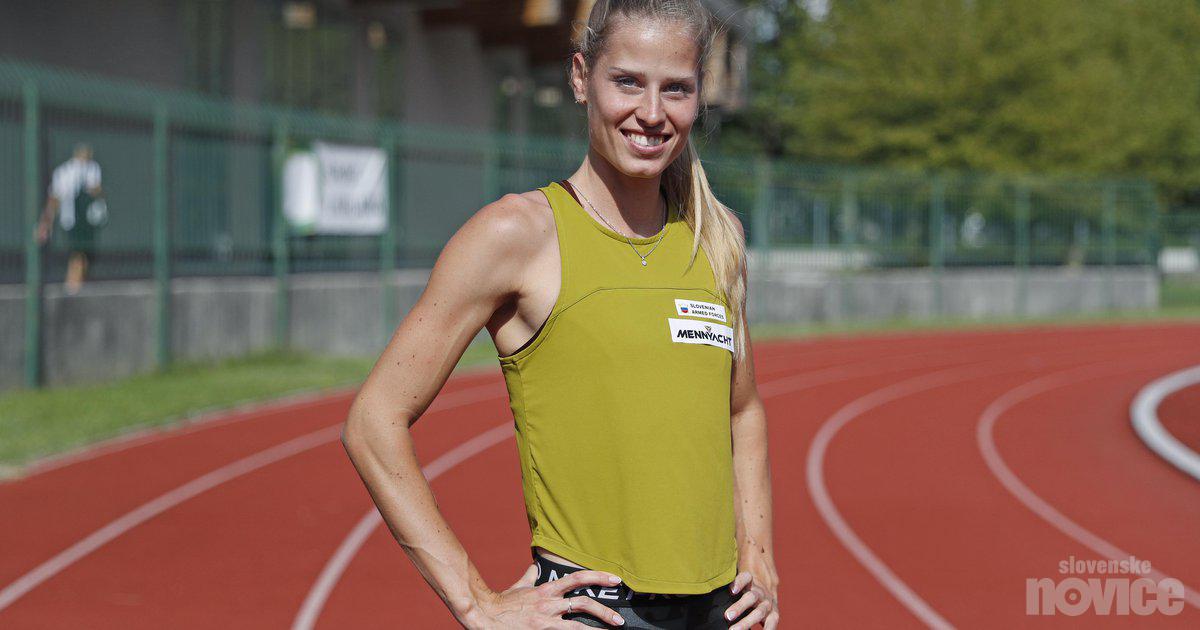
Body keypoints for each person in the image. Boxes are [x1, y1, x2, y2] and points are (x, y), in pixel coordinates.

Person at [340, 1, 779, 628]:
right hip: (593, 614)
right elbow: (373, 421)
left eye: (675, 88)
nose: (651, 113)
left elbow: (744, 409)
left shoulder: (718, 237)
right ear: (581, 78)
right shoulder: (516, 235)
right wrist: (476, 602)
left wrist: (760, 557)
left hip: (720, 613)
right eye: (627, 81)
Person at [36, 143, 105, 295]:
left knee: (85, 257)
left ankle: (76, 288)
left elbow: (97, 192)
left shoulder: (93, 168)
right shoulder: (64, 172)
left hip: (89, 223)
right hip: (72, 222)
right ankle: (72, 289)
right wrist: (45, 223)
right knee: (77, 256)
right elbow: (54, 200)